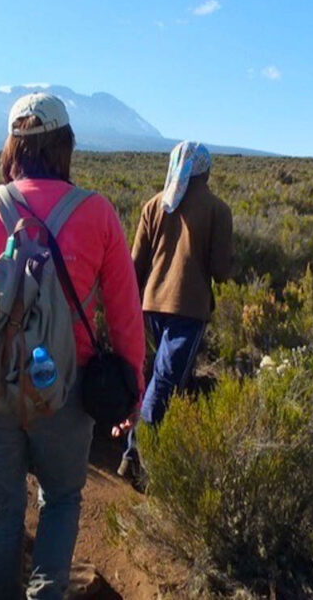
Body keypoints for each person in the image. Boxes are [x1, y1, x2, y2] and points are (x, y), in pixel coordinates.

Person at [0, 92, 145, 599]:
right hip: (66, 391)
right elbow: (125, 314)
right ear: (64, 145)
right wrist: (130, 391)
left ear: (13, 146)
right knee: (62, 500)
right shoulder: (98, 214)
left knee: (0, 507)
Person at [116, 141, 234, 478]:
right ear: (205, 170)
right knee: (166, 381)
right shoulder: (217, 210)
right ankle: (136, 456)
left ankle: (166, 452)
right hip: (189, 308)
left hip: (152, 305)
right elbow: (222, 270)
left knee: (164, 377)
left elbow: (135, 264)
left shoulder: (154, 205)